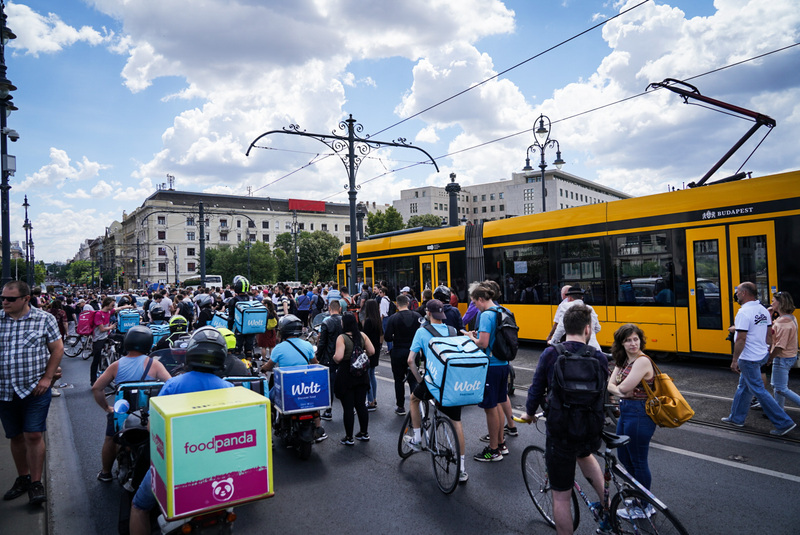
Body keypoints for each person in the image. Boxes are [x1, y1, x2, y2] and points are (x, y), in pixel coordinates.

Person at [129, 327, 234, 535]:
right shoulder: (230, 388)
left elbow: (153, 428)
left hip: (176, 466)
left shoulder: (173, 385)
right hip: (218, 467)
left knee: (139, 507)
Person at [519, 304, 610, 535]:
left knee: (560, 498)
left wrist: (529, 414)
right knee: (586, 454)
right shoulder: (598, 357)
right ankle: (608, 511)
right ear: (588, 330)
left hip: (560, 431)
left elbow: (536, 388)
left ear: (563, 328)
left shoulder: (551, 354)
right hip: (589, 428)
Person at [0, 281, 63, 505]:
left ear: (26, 299)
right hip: (4, 389)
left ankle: (36, 483)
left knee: (33, 434)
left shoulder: (44, 319)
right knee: (15, 436)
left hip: (34, 388)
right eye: (3, 298)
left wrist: (47, 378)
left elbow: (57, 349)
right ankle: (23, 478)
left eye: (10, 299)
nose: (5, 302)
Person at [92, 326, 171, 483]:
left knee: (110, 439)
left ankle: (106, 472)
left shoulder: (117, 365)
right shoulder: (153, 364)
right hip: (146, 414)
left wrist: (107, 408)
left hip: (123, 413)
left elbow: (97, 388)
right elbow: (170, 385)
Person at [404, 299, 469, 483]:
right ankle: (462, 469)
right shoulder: (452, 330)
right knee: (456, 422)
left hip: (433, 382)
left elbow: (411, 360)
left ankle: (416, 439)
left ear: (428, 313)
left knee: (414, 399)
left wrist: (419, 380)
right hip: (451, 383)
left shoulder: (422, 332)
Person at [722, 282, 796, 436]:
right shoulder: (763, 310)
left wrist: (735, 360)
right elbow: (769, 334)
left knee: (758, 390)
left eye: (737, 292)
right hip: (760, 354)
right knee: (744, 387)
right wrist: (766, 352)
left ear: (743, 293)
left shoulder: (744, 313)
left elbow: (741, 339)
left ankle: (784, 422)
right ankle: (736, 418)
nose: (736, 295)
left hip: (748, 357)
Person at [462, 282, 509, 462]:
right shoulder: (501, 310)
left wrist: (470, 337)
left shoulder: (486, 315)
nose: (474, 306)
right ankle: (501, 444)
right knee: (497, 404)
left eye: (474, 302)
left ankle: (493, 450)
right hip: (503, 363)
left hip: (491, 365)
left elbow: (482, 343)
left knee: (490, 408)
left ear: (481, 299)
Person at [606, 324, 656, 493]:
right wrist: (620, 391)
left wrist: (620, 391)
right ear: (621, 344)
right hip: (626, 411)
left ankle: (644, 505)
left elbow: (622, 388)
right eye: (628, 340)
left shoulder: (642, 361)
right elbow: (611, 386)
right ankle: (636, 496)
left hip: (639, 414)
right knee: (624, 456)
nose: (633, 343)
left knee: (638, 460)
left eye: (636, 339)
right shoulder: (624, 360)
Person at [260, 315, 326, 442]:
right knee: (313, 400)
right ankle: (318, 426)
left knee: (270, 401)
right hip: (305, 386)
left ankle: (269, 437)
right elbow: (315, 362)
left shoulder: (279, 348)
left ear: (284, 330)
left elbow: (269, 366)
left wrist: (263, 368)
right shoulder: (307, 345)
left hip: (287, 387)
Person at [332, 312, 375, 445]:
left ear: (344, 324)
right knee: (361, 405)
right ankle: (364, 433)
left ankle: (349, 437)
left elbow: (338, 357)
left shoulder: (342, 338)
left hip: (347, 375)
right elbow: (372, 351)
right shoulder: (362, 335)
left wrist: (333, 358)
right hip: (361, 375)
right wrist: (360, 357)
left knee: (348, 408)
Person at [384, 294, 423, 415]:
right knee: (413, 380)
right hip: (413, 352)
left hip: (398, 352)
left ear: (397, 304)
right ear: (408, 303)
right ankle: (415, 405)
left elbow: (387, 337)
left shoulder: (393, 318)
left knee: (398, 380)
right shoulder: (417, 316)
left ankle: (400, 406)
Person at [769, 291, 800, 409]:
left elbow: (780, 346)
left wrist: (770, 358)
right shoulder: (790, 317)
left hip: (782, 357)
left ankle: (779, 413)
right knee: (777, 386)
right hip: (789, 356)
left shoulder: (783, 322)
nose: (771, 303)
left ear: (780, 303)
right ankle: (778, 410)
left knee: (781, 388)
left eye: (773, 301)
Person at [550, 285, 602, 350]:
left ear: (569, 298)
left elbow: (561, 327)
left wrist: (553, 342)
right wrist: (587, 334)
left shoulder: (565, 306)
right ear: (582, 297)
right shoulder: (590, 308)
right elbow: (598, 328)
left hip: (575, 348)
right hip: (594, 348)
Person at [316, 300, 343, 421]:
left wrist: (318, 356)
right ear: (340, 309)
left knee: (330, 386)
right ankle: (350, 408)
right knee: (344, 383)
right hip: (343, 356)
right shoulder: (344, 321)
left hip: (329, 357)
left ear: (329, 309)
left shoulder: (326, 322)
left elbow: (322, 343)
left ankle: (328, 410)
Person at [227, 276, 256, 358]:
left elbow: (231, 317)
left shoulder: (234, 300)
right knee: (249, 349)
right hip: (250, 327)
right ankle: (250, 365)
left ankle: (238, 366)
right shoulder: (252, 299)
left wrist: (229, 329)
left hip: (238, 328)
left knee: (237, 350)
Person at [361, 299, 383, 412]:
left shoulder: (368, 321)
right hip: (377, 349)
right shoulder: (378, 320)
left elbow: (364, 337)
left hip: (369, 350)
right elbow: (381, 336)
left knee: (368, 376)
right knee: (372, 375)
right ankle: (374, 398)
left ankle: (370, 401)